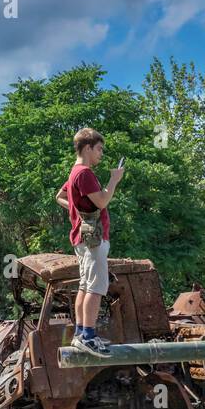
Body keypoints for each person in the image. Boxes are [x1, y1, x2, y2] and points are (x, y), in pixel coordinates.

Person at [55, 127, 124, 355]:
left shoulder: (73, 173)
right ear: (87, 147)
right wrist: (114, 180)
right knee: (96, 287)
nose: (101, 154)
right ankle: (89, 336)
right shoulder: (84, 173)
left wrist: (77, 211)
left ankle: (80, 334)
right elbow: (103, 201)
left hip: (81, 239)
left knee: (85, 285)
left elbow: (61, 197)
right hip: (93, 240)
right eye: (99, 149)